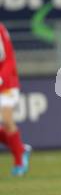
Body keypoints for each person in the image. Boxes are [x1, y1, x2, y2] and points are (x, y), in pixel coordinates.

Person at [0, 22, 32, 176]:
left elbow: (8, 59)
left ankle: (19, 160)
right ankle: (21, 148)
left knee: (7, 120)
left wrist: (1, 78)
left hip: (6, 83)